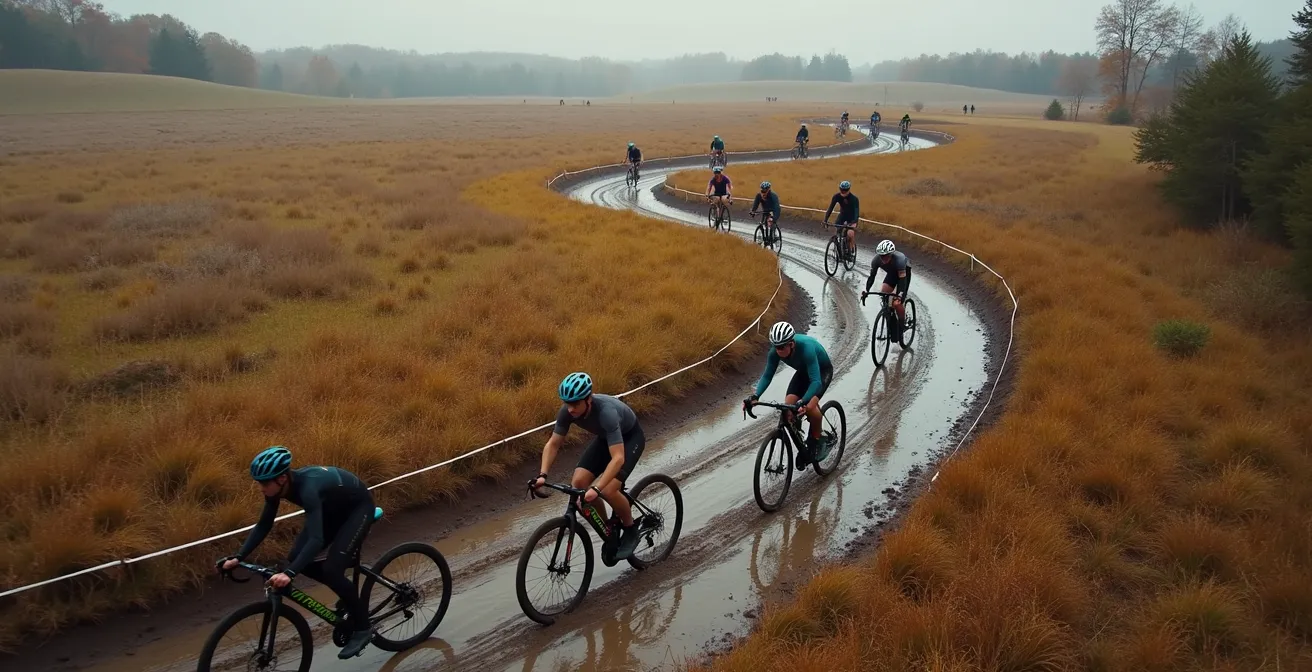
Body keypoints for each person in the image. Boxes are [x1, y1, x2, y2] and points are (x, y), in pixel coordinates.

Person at [222, 447, 377, 660]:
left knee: (331, 570)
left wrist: (290, 574)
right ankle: (346, 591)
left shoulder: (307, 490)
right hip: (332, 509)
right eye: (259, 483)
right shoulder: (278, 488)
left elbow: (316, 540)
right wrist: (238, 557)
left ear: (282, 478)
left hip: (357, 509)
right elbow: (264, 524)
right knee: (297, 557)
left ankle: (362, 628)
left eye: (264, 483)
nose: (261, 488)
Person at [532, 373, 646, 559]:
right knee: (578, 482)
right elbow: (553, 444)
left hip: (630, 439)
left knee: (608, 490)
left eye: (575, 404)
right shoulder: (567, 411)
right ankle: (609, 528)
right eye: (567, 403)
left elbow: (618, 458)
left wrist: (597, 488)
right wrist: (542, 474)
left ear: (588, 399)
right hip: (605, 439)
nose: (570, 409)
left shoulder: (606, 413)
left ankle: (630, 528)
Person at [743, 322, 834, 469]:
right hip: (803, 373)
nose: (777, 350)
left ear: (791, 344)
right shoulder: (774, 352)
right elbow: (767, 375)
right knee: (788, 407)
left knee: (810, 408)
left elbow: (816, 382)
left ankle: (817, 439)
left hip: (821, 373)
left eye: (781, 347)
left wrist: (804, 401)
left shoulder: (807, 349)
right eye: (775, 346)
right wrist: (755, 396)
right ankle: (801, 441)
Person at [863, 240, 913, 338]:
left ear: (891, 254)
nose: (883, 258)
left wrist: (899, 296)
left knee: (897, 303)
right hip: (892, 274)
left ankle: (902, 325)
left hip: (904, 273)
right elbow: (871, 277)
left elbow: (902, 281)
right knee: (884, 294)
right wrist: (867, 291)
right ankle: (890, 318)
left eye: (886, 256)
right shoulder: (876, 260)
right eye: (881, 256)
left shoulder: (899, 259)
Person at [823, 180, 860, 259]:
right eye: (842, 190)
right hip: (842, 216)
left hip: (852, 218)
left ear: (849, 190)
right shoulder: (836, 197)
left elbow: (857, 213)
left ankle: (850, 251)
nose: (843, 192)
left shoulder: (854, 199)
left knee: (850, 233)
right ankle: (840, 248)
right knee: (837, 230)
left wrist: (853, 222)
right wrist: (825, 220)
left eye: (845, 190)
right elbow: (830, 208)